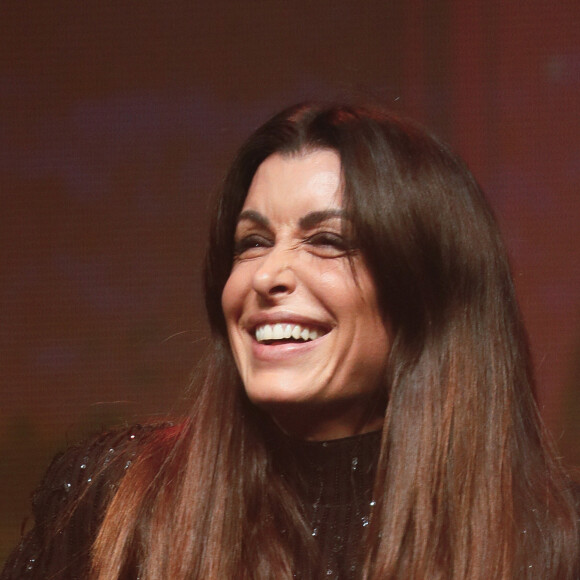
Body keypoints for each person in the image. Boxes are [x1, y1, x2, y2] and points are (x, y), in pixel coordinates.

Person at [2, 102, 579, 580]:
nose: (265, 274)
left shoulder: (549, 542)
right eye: (252, 242)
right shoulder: (117, 501)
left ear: (427, 292)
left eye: (326, 240)